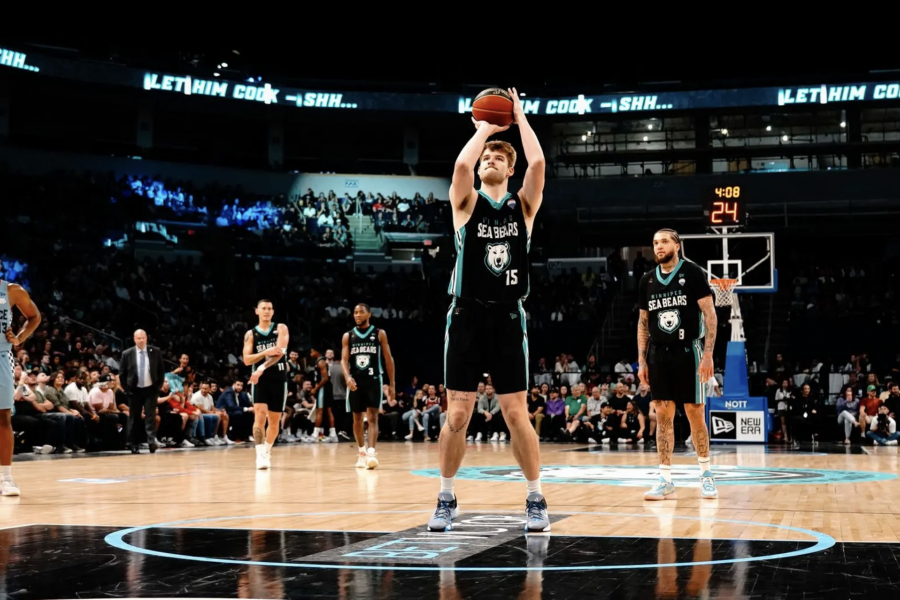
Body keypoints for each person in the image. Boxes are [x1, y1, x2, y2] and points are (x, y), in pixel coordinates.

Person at [430, 88, 549, 532]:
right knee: (457, 414)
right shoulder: (467, 205)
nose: (491, 158)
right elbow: (462, 165)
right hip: (464, 316)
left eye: (500, 155)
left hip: (507, 317)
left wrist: (518, 118)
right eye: (488, 155)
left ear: (510, 168)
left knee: (516, 413)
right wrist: (485, 128)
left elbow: (538, 165)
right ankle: (446, 497)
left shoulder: (523, 206)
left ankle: (535, 498)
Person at [637, 228, 718, 500]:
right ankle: (664, 478)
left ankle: (706, 474)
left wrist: (707, 355)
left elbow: (710, 316)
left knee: (695, 412)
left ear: (677, 246)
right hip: (658, 354)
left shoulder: (693, 273)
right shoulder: (647, 280)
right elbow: (643, 323)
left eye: (664, 242)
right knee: (662, 415)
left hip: (689, 351)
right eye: (655, 242)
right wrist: (641, 360)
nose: (658, 247)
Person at [341, 303, 396, 469]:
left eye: (361, 312)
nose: (358, 315)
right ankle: (361, 452)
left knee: (372, 417)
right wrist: (347, 377)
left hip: (373, 378)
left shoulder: (379, 333)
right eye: (355, 312)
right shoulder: (348, 336)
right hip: (355, 380)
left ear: (369, 314)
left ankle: (371, 452)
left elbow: (388, 359)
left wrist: (392, 384)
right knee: (357, 418)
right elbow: (343, 360)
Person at [0, 278, 41, 496]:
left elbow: (34, 316)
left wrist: (19, 338)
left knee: (3, 417)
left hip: (1, 355)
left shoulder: (12, 291)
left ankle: (5, 478)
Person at [243, 299, 289, 470]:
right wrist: (265, 352)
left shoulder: (281, 328)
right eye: (263, 308)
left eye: (270, 308)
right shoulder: (250, 334)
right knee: (260, 415)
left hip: (278, 378)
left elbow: (280, 352)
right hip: (260, 380)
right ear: (257, 311)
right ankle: (259, 453)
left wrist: (261, 366)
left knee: (275, 420)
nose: (267, 311)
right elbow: (247, 360)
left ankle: (268, 449)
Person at [120, 329, 166, 454]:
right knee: (134, 418)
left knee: (151, 416)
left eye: (143, 338)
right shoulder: (127, 353)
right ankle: (133, 443)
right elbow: (122, 374)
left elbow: (161, 371)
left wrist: (158, 387)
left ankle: (151, 442)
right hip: (134, 390)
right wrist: (127, 388)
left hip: (151, 389)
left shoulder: (155, 351)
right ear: (134, 339)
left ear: (146, 338)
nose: (141, 340)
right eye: (138, 338)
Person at [310, 347, 338, 443]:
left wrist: (315, 389)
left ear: (317, 351)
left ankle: (315, 435)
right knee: (329, 410)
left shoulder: (321, 362)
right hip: (327, 388)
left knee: (320, 411)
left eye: (312, 351)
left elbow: (325, 378)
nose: (311, 354)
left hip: (323, 389)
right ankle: (333, 434)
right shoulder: (321, 361)